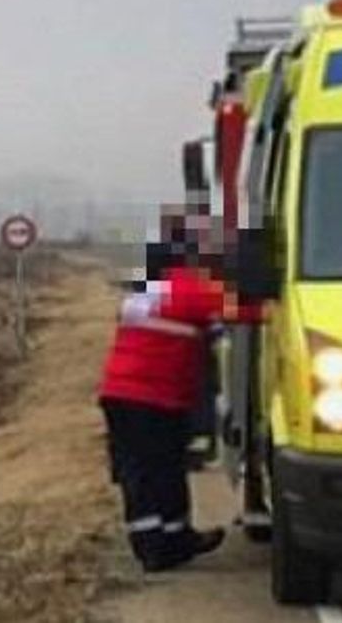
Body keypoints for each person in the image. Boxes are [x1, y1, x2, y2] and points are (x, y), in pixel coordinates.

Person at [97, 209, 259, 572]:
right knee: (151, 471)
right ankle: (155, 546)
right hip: (149, 397)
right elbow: (246, 311)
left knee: (156, 468)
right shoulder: (188, 288)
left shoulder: (150, 290)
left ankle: (175, 539)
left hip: (131, 395)